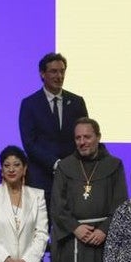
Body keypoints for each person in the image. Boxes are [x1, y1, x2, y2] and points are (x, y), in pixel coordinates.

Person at [51, 117, 127, 262]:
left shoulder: (114, 165)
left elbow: (121, 204)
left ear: (98, 137)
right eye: (78, 138)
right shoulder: (65, 166)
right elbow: (57, 205)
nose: (82, 142)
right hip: (73, 241)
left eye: (87, 137)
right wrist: (75, 227)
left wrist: (104, 230)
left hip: (103, 241)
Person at [18, 52, 88, 194]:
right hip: (41, 178)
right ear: (42, 74)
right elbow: (29, 143)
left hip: (73, 176)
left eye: (62, 71)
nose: (59, 76)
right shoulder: (30, 104)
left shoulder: (77, 102)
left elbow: (84, 135)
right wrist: (55, 163)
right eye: (54, 71)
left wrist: (69, 165)